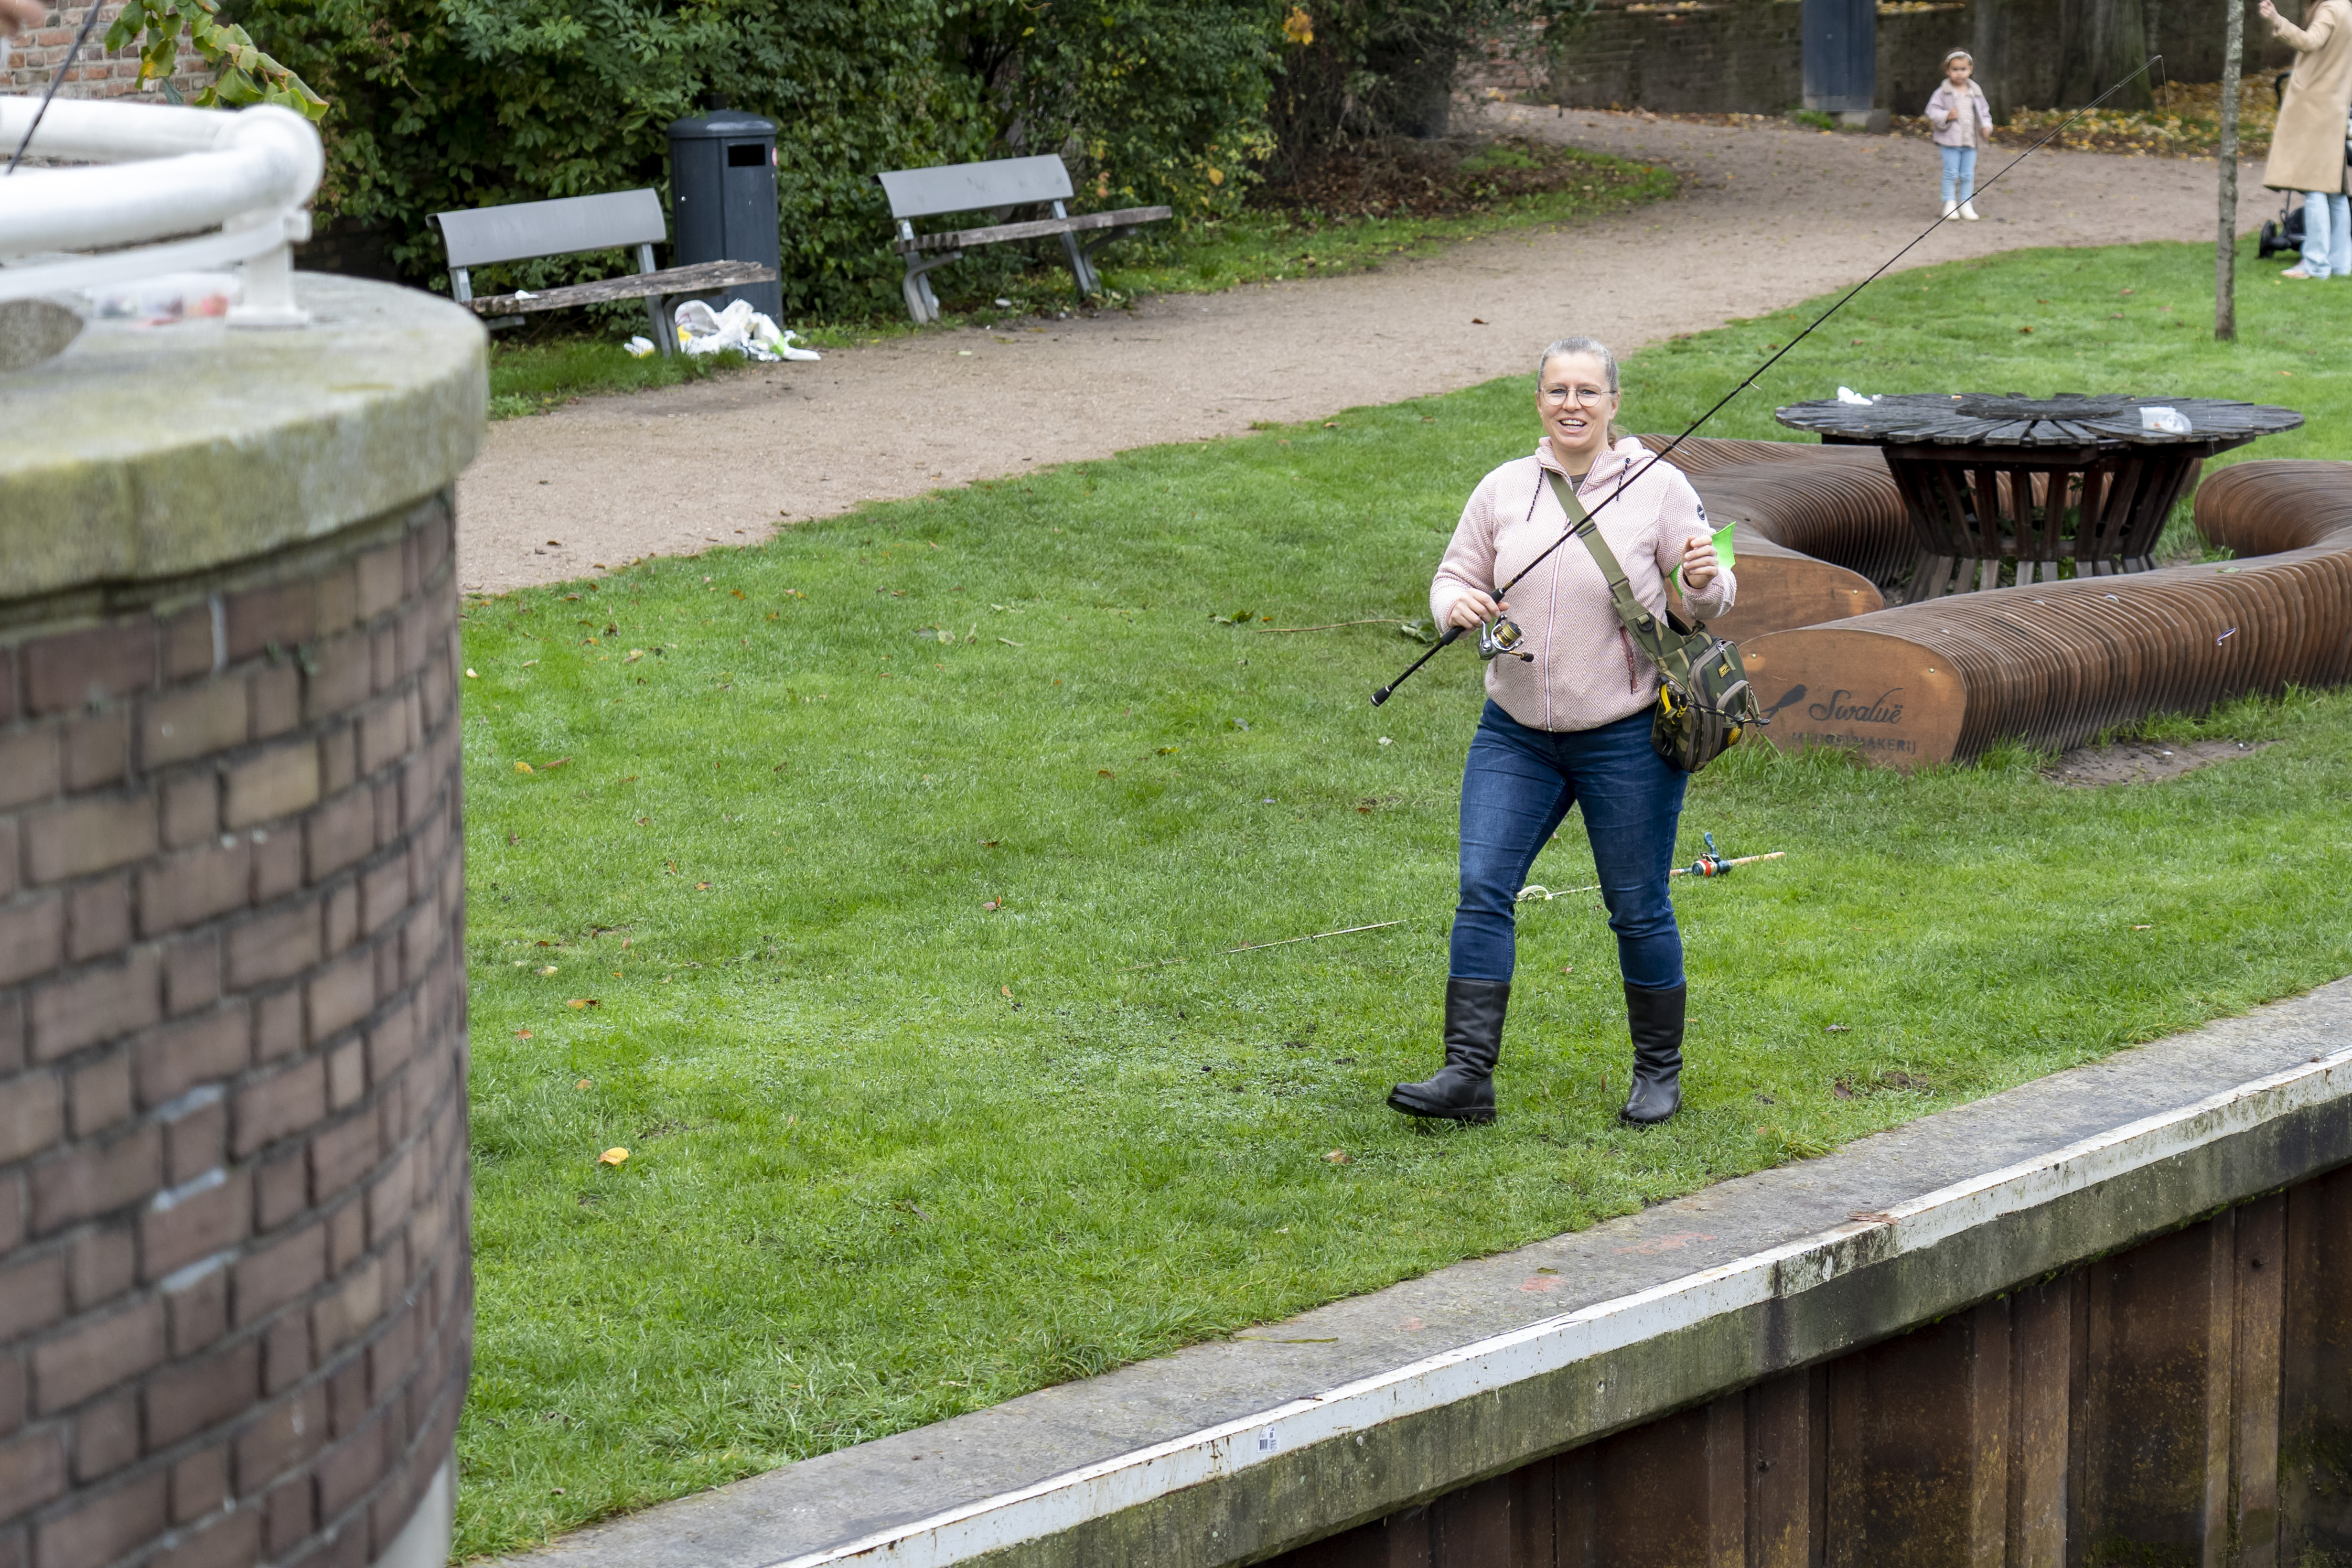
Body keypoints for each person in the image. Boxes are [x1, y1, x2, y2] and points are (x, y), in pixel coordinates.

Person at [1388, 337, 1734, 1130]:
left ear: (1614, 403)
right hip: (1514, 734)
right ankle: (1467, 1076)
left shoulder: (1660, 484)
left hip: (1624, 732)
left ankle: (1659, 1074)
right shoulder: (1504, 487)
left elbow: (1714, 588)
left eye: (1587, 390)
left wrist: (1704, 578)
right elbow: (1454, 574)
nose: (1571, 404)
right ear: (1539, 401)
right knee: (1483, 888)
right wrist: (1454, 606)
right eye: (1557, 390)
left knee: (1637, 905)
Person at [2260, 0, 2352, 279]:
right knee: (2335, 191)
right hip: (2335, 107)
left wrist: (2278, 20)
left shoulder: (2329, 10)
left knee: (2315, 189)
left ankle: (2315, 264)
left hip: (2315, 107)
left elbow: (2311, 42)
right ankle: (2341, 263)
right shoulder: (2347, 9)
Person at [1925, 49, 1994, 221]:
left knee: (1968, 174)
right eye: (1955, 70)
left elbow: (1985, 113)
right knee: (1951, 173)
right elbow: (1932, 111)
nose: (1959, 73)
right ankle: (1949, 203)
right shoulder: (1943, 92)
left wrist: (1987, 127)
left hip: (1971, 142)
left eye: (1963, 69)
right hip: (1950, 142)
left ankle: (1966, 203)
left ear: (1970, 70)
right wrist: (1947, 115)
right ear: (1947, 71)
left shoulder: (1976, 92)